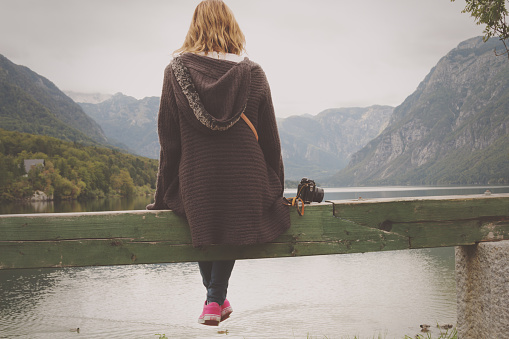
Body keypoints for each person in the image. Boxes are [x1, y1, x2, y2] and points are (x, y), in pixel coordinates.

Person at [147, 0, 290, 326]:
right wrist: (276, 185)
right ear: (232, 27)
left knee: (201, 214)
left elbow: (169, 143)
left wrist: (161, 195)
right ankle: (215, 299)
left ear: (195, 27)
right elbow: (270, 141)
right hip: (247, 178)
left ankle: (213, 299)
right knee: (230, 218)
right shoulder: (253, 73)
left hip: (196, 177)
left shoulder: (175, 72)